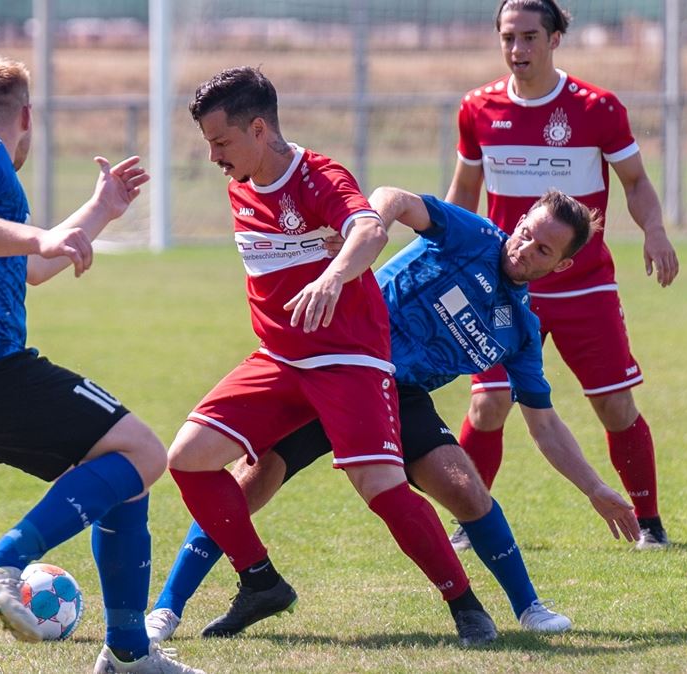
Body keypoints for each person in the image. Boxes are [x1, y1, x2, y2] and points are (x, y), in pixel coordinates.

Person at [146, 186, 642, 644]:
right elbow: (396, 198)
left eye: (542, 251)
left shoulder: (521, 331)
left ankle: (527, 606)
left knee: (464, 487)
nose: (524, 250)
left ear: (560, 265)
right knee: (248, 483)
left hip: (398, 396)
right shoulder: (471, 236)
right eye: (526, 234)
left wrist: (596, 489)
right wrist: (370, 228)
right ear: (518, 223)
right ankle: (168, 609)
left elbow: (545, 423)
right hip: (342, 363)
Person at [165, 66, 498, 647]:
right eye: (208, 144)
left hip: (348, 358)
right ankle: (260, 581)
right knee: (188, 457)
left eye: (221, 142)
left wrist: (334, 276)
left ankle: (466, 605)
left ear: (260, 128)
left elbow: (370, 229)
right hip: (280, 359)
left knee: (381, 486)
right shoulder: (241, 180)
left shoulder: (318, 176)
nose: (214, 156)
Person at [0, 55, 202, 674]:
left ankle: (128, 653)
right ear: (26, 116)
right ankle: (3, 561)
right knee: (147, 454)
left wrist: (99, 211)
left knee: (119, 472)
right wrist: (39, 236)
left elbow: (33, 267)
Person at [446, 0, 681, 551]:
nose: (517, 49)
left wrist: (655, 229)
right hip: (506, 288)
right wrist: (448, 252)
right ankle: (467, 521)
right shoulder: (478, 109)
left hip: (585, 286)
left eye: (529, 36)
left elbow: (636, 182)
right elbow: (463, 193)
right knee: (487, 404)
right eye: (508, 37)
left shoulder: (597, 108)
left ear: (555, 40)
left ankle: (649, 524)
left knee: (615, 404)